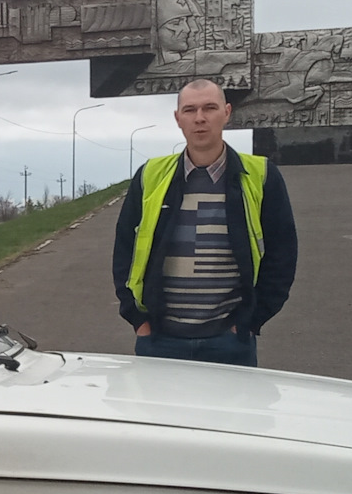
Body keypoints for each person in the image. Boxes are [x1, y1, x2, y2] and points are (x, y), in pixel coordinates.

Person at [112, 77, 297, 367]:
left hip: (229, 341)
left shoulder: (261, 175)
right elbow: (125, 249)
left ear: (226, 112)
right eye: (190, 110)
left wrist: (250, 321)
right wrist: (138, 320)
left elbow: (282, 254)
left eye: (209, 108)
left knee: (234, 415)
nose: (199, 118)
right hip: (159, 339)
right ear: (178, 119)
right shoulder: (150, 175)